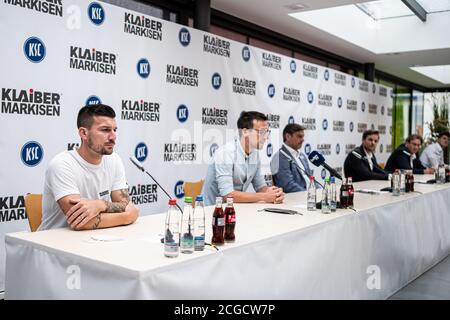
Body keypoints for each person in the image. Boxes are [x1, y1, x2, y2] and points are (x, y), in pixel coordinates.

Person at [39, 104, 139, 231]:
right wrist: (128, 217)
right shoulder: (61, 164)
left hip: (94, 241)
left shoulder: (114, 160)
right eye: (105, 130)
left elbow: (124, 203)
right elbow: (81, 222)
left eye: (115, 130)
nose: (113, 136)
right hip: (54, 245)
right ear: (84, 133)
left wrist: (100, 205)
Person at [202, 111, 285, 206]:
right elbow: (227, 195)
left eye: (267, 132)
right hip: (213, 211)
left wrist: (274, 193)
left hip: (235, 209)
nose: (266, 137)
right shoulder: (225, 153)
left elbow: (260, 186)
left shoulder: (255, 153)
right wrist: (265, 196)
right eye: (261, 132)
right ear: (245, 132)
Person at [270, 124, 315, 192]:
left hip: (309, 196)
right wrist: (308, 195)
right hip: (297, 199)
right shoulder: (280, 157)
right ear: (288, 136)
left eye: (303, 137)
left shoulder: (302, 155)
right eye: (299, 136)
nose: (303, 140)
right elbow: (287, 185)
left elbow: (311, 179)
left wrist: (319, 191)